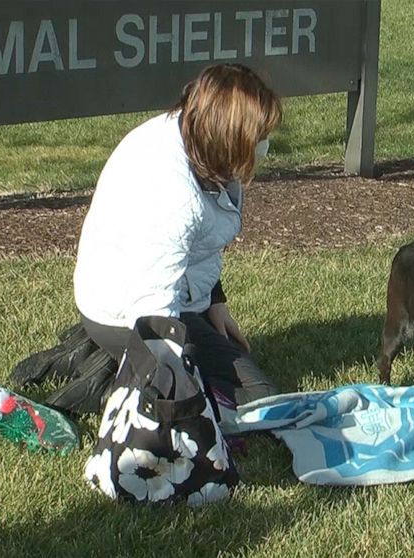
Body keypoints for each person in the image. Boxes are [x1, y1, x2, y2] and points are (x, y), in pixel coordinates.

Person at [73, 63, 282, 421]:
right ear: (228, 139)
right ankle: (115, 379)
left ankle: (114, 360)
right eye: (257, 137)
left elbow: (196, 246)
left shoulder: (193, 138)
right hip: (128, 310)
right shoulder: (172, 194)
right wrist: (174, 395)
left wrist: (214, 301)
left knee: (247, 389)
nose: (263, 146)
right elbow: (152, 315)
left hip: (157, 292)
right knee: (254, 402)